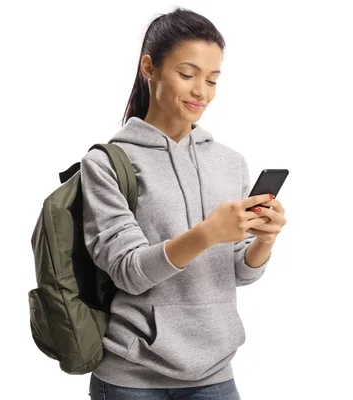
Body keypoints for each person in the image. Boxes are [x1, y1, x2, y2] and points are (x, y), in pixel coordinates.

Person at [82, 7, 287, 400]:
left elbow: (239, 273)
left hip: (215, 374)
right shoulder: (107, 163)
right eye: (187, 74)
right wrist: (208, 233)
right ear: (150, 68)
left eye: (212, 79)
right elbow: (128, 271)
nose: (201, 92)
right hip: (133, 377)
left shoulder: (230, 162)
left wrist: (263, 242)